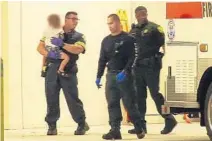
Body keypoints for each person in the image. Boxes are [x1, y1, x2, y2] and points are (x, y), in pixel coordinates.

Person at [37, 11, 89, 136]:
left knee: (72, 99)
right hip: (51, 70)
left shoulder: (79, 36)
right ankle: (52, 125)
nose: (75, 21)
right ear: (66, 20)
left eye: (77, 19)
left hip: (68, 71)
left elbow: (77, 49)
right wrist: (51, 54)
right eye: (73, 19)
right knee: (51, 98)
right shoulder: (52, 31)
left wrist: (62, 44)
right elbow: (40, 47)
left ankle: (81, 124)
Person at [128, 6, 177, 135]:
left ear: (147, 14)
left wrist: (157, 59)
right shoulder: (132, 31)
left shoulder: (154, 28)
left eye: (144, 14)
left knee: (156, 94)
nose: (142, 16)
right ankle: (141, 125)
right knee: (139, 96)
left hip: (151, 67)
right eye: (140, 14)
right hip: (137, 67)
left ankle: (169, 118)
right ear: (136, 15)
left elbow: (163, 46)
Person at [95, 14, 145, 140]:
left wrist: (126, 71)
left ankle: (139, 127)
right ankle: (115, 130)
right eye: (108, 24)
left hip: (124, 76)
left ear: (117, 23)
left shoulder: (128, 39)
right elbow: (102, 59)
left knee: (129, 104)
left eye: (111, 23)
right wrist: (99, 76)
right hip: (111, 76)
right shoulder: (106, 41)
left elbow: (133, 57)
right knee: (112, 103)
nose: (110, 26)